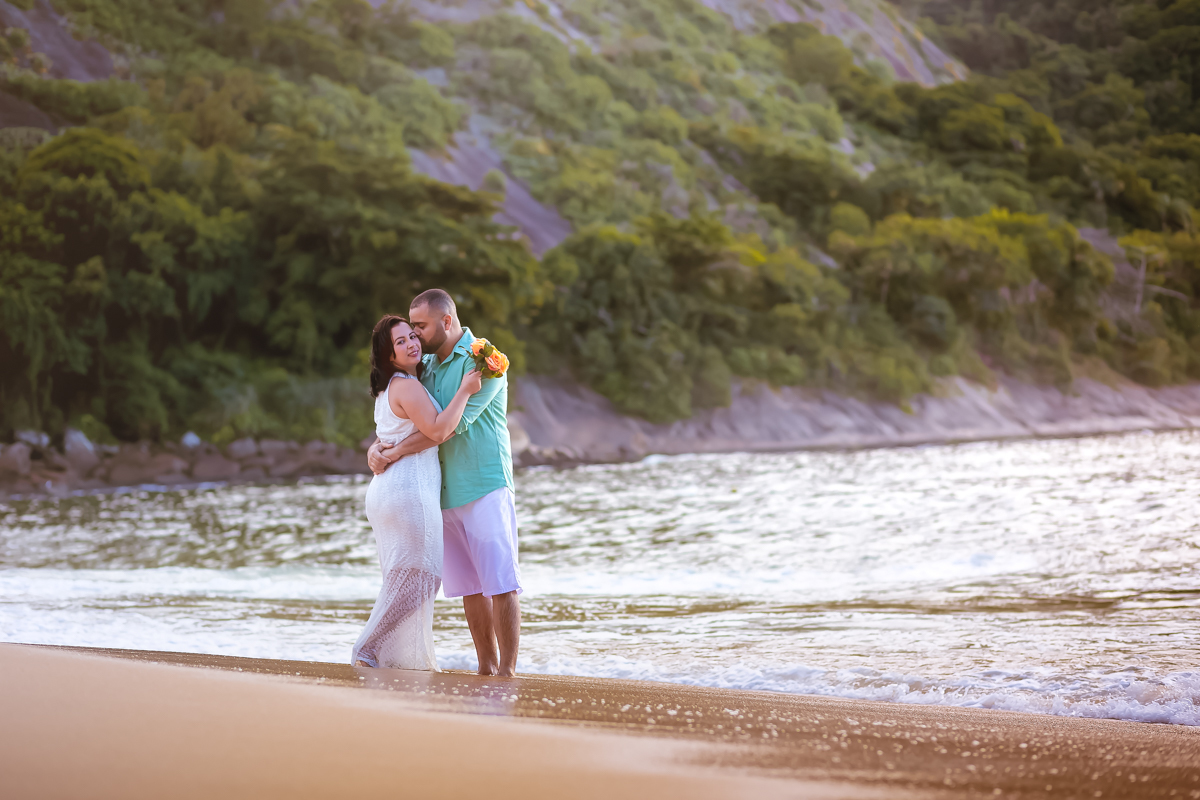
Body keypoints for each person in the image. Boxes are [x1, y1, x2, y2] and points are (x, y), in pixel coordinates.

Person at [367, 288, 522, 677]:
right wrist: (378, 447)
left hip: (484, 483)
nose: (414, 335)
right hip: (442, 492)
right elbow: (410, 417)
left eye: (419, 326)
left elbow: (444, 431)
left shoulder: (484, 362)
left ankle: (508, 671)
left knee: (500, 582)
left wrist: (393, 452)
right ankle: (486, 667)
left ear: (447, 321)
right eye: (410, 329)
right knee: (469, 587)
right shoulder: (429, 366)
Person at [351, 314, 481, 670]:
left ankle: (382, 654)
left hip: (391, 488)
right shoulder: (406, 385)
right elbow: (439, 430)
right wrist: (466, 391)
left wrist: (382, 451)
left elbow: (401, 436)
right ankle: (368, 648)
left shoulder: (394, 386)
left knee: (407, 576)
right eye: (401, 342)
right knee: (423, 576)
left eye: (412, 336)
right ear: (388, 354)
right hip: (408, 490)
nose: (412, 344)